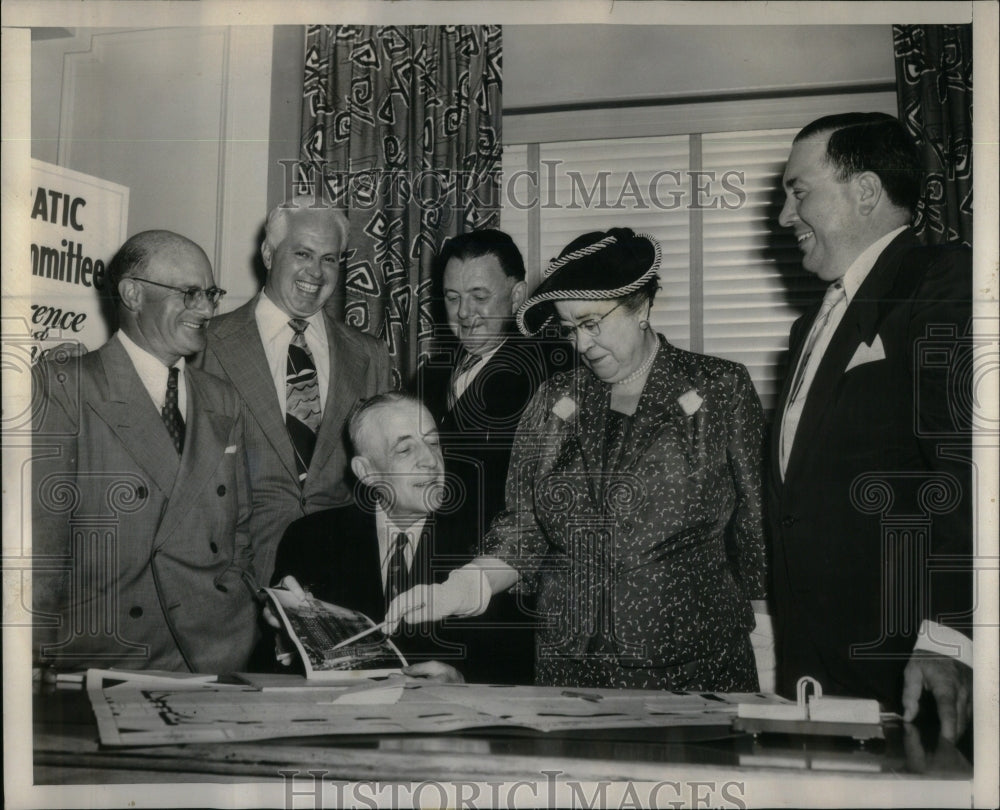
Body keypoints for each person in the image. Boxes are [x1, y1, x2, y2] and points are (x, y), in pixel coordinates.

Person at [389, 228, 769, 691]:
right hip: (569, 663)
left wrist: (769, 622)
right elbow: (524, 529)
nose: (581, 344)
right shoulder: (553, 399)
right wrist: (459, 590)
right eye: (569, 329)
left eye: (592, 323)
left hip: (691, 660)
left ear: (643, 306)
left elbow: (758, 525)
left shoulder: (719, 389)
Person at [768, 112, 972, 738]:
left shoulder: (944, 281)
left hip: (911, 666)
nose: (783, 216)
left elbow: (971, 468)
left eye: (799, 191)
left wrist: (949, 635)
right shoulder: (809, 328)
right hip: (815, 671)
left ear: (865, 190)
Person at [31, 230, 259, 673]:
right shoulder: (64, 387)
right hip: (109, 657)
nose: (208, 309)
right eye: (190, 293)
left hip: (218, 656)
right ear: (132, 294)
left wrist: (242, 604)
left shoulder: (223, 399)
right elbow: (40, 550)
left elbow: (241, 530)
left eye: (211, 293)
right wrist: (34, 664)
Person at [198, 198, 392, 587]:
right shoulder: (207, 345)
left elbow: (382, 484)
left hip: (341, 583)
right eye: (302, 253)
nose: (316, 273)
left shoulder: (369, 354)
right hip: (236, 584)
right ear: (269, 254)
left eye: (330, 259)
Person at [413, 229, 571, 683]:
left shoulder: (554, 370)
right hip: (431, 598)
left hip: (508, 608)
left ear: (518, 294)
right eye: (452, 297)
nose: (465, 314)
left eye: (480, 296)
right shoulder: (428, 374)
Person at [270, 392, 467, 683]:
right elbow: (277, 667)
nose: (430, 460)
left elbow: (511, 659)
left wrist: (463, 679)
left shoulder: (483, 544)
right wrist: (283, 636)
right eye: (405, 450)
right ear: (367, 472)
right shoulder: (311, 539)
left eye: (433, 442)